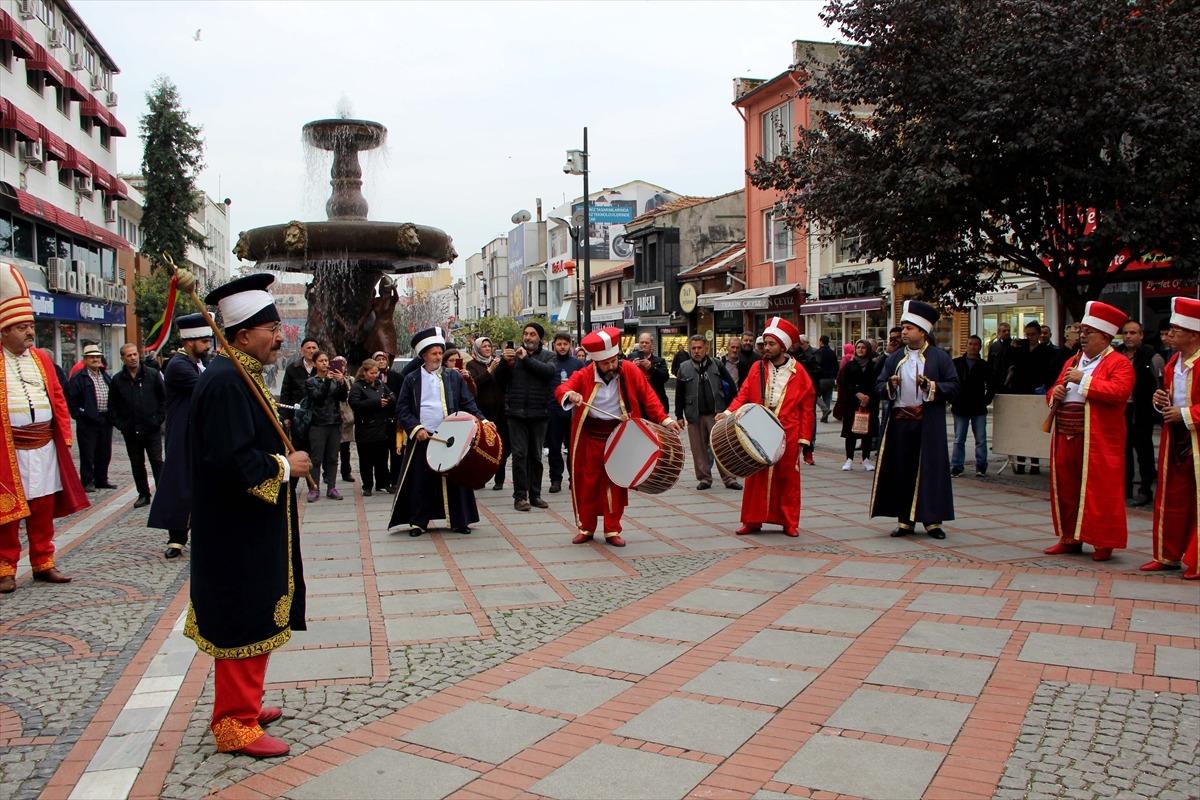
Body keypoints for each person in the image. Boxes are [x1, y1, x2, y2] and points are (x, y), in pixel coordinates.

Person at [186, 274, 312, 758]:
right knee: (244, 616)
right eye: (272, 329)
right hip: (235, 529)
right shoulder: (225, 382)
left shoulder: (242, 373)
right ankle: (234, 724)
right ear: (242, 336)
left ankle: (246, 704)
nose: (280, 337)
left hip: (252, 524)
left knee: (259, 611)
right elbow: (232, 460)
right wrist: (285, 466)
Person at [0, 262, 86, 592]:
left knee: (43, 506)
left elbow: (58, 398)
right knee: (8, 511)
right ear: (4, 331)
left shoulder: (42, 359)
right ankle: (5, 568)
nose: (30, 332)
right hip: (10, 448)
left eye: (31, 326)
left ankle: (43, 562)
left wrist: (64, 435)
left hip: (45, 446)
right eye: (22, 327)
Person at [556, 327, 677, 546]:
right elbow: (562, 389)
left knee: (615, 483)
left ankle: (612, 529)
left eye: (614, 360)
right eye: (606, 363)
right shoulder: (584, 374)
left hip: (619, 437)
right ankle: (586, 527)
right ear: (595, 362)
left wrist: (665, 419)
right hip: (590, 437)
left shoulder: (628, 369)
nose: (612, 366)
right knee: (587, 483)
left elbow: (648, 395)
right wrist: (570, 394)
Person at [1042, 301, 1134, 562]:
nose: (1082, 336)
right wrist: (1055, 393)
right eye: (1081, 331)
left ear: (1105, 336)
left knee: (1100, 490)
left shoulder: (1119, 363)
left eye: (1088, 332)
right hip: (1065, 432)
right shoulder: (1072, 360)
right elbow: (1054, 389)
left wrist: (1084, 380)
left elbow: (1119, 392)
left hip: (1097, 436)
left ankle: (1103, 541)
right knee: (1066, 488)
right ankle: (1069, 538)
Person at [717, 317, 814, 537]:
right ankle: (752, 521)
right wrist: (728, 413)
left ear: (783, 346)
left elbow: (807, 408)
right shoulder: (757, 368)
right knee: (755, 477)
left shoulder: (799, 372)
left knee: (787, 478)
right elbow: (743, 394)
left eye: (771, 344)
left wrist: (804, 439)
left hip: (789, 432)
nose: (766, 348)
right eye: (765, 344)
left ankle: (789, 523)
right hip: (759, 429)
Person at [870, 301, 959, 539]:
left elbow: (954, 386)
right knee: (902, 470)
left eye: (909, 328)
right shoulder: (894, 358)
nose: (904, 332)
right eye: (903, 328)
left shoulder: (939, 358)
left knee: (931, 471)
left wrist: (931, 386)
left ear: (922, 331)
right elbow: (878, 385)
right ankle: (904, 521)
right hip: (900, 423)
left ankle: (933, 521)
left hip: (927, 423)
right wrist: (890, 385)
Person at [389, 327, 489, 535]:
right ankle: (418, 522)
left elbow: (467, 403)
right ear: (424, 355)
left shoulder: (453, 377)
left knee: (455, 479)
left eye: (439, 353)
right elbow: (402, 408)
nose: (437, 357)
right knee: (420, 481)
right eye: (433, 353)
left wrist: (484, 420)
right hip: (423, 437)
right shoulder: (411, 379)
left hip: (451, 437)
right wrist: (416, 428)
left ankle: (460, 521)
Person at [1142, 297, 1199, 579]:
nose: (1169, 334)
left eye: (1176, 329)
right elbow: (1170, 397)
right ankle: (1168, 554)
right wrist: (1160, 401)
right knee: (1171, 498)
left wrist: (1185, 413)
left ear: (1194, 334)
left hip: (1195, 437)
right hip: (1175, 438)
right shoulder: (1173, 361)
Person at [148, 313, 211, 558]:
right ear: (189, 342)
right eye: (203, 341)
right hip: (182, 435)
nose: (207, 345)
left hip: (196, 433)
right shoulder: (178, 366)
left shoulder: (196, 363)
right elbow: (206, 388)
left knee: (200, 484)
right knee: (180, 484)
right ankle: (176, 538)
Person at [497, 323, 557, 511]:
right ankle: (520, 497)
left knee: (536, 456)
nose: (528, 337)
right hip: (516, 414)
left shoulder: (549, 357)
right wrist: (504, 363)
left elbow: (548, 373)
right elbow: (498, 381)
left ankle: (535, 495)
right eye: (525, 334)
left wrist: (526, 359)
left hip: (539, 413)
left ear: (540, 338)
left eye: (532, 334)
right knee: (519, 455)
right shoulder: (513, 357)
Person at [675, 334, 741, 491]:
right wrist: (679, 416)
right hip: (694, 415)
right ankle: (704, 478)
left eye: (699, 348)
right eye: (693, 348)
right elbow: (679, 394)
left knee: (722, 447)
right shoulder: (684, 368)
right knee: (698, 449)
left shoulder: (717, 364)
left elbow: (732, 387)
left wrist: (729, 409)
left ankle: (729, 478)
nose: (696, 351)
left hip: (716, 414)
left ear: (706, 348)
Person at [108, 343, 166, 508]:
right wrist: (121, 424)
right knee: (137, 463)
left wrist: (158, 419)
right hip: (131, 430)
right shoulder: (117, 380)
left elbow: (163, 399)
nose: (133, 358)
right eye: (129, 355)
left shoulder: (152, 374)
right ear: (123, 358)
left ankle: (162, 494)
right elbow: (112, 406)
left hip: (151, 428)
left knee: (157, 461)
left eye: (135, 354)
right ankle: (143, 494)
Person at [1118, 321, 1161, 507]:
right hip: (1121, 410)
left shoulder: (1151, 356)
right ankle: (1125, 489)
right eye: (1126, 333)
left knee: (1144, 451)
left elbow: (1160, 384)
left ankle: (1145, 490)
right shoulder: (1116, 354)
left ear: (1141, 335)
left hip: (1142, 410)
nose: (1128, 336)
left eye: (1133, 333)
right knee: (1123, 451)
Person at [1008, 320, 1058, 474]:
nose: (1030, 337)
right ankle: (1021, 462)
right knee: (1022, 427)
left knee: (1035, 427)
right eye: (1027, 335)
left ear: (1039, 335)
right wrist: (1012, 348)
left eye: (1033, 335)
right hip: (1021, 390)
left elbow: (1050, 371)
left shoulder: (1046, 351)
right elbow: (1011, 364)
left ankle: (1034, 462)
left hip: (1037, 391)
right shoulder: (1021, 348)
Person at [66, 344, 116, 492]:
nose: (95, 359)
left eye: (97, 357)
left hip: (105, 419)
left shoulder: (105, 376)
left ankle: (102, 479)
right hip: (87, 421)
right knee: (88, 453)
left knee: (104, 451)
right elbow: (72, 400)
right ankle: (87, 481)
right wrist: (81, 414)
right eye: (92, 357)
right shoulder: (78, 378)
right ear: (85, 360)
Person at [303, 352, 348, 502]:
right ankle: (314, 488)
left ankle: (332, 488)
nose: (324, 363)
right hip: (318, 423)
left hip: (334, 422)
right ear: (314, 364)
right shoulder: (311, 381)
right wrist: (327, 381)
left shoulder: (335, 379)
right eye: (321, 361)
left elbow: (342, 398)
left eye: (326, 360)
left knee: (333, 458)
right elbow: (318, 398)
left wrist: (341, 382)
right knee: (316, 458)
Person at [466, 337, 510, 491]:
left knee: (502, 446)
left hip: (500, 411)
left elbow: (505, 381)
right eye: (483, 346)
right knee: (481, 447)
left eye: (489, 346)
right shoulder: (472, 365)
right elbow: (474, 384)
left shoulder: (497, 363)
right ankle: (481, 477)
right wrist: (489, 371)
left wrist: (504, 365)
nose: (487, 349)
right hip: (482, 412)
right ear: (477, 349)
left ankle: (500, 479)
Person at [348, 358, 394, 497]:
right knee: (366, 460)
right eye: (372, 373)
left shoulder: (380, 384)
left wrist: (389, 399)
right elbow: (354, 404)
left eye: (376, 372)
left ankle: (383, 483)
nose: (374, 375)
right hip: (365, 428)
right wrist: (376, 402)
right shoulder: (357, 386)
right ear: (365, 372)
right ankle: (367, 485)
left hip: (381, 427)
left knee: (382, 459)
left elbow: (392, 395)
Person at [950, 335, 995, 478]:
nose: (973, 347)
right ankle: (957, 466)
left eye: (976, 344)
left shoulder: (984, 365)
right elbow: (950, 382)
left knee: (981, 439)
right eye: (970, 344)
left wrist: (986, 400)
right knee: (959, 439)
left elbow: (991, 385)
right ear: (966, 345)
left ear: (980, 347)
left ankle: (981, 466)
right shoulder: (956, 363)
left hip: (978, 407)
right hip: (960, 406)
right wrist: (953, 399)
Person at [546, 332, 584, 494]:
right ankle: (555, 480)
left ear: (570, 345)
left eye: (565, 344)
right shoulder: (549, 363)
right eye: (559, 344)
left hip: (572, 412)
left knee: (573, 447)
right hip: (553, 410)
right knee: (554, 447)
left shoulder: (577, 364)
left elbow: (584, 385)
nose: (562, 347)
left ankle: (573, 479)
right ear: (554, 345)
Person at [834, 339, 879, 471]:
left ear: (868, 350)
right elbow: (845, 383)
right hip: (852, 403)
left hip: (869, 403)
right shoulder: (850, 365)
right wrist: (857, 394)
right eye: (858, 347)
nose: (860, 350)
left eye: (863, 347)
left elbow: (876, 383)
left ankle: (866, 459)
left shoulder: (873, 365)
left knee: (867, 433)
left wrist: (868, 397)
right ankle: (849, 459)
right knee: (851, 432)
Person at [280, 337, 318, 447]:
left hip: (318, 417)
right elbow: (285, 393)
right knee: (298, 447)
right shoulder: (292, 369)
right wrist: (285, 416)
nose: (311, 351)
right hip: (298, 417)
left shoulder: (323, 368)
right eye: (308, 348)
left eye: (314, 348)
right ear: (302, 350)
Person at [793, 335, 823, 466]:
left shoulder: (811, 355)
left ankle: (808, 451)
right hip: (792, 392)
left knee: (809, 422)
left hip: (807, 392)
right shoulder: (788, 356)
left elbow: (818, 371)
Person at [329, 356, 356, 485]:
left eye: (343, 364)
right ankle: (328, 473)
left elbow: (351, 396)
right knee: (331, 448)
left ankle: (346, 472)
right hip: (331, 415)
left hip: (346, 417)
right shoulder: (328, 378)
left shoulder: (350, 380)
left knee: (345, 448)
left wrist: (342, 381)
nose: (341, 367)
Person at [631, 333, 670, 415]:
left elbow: (665, 377)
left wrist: (651, 368)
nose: (644, 345)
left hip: (656, 402)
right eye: (642, 342)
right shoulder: (631, 359)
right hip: (638, 403)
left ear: (651, 344)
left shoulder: (659, 361)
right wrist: (631, 367)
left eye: (647, 342)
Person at [815, 335, 839, 423]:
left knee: (814, 395)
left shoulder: (819, 352)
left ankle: (824, 409)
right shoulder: (832, 353)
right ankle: (825, 417)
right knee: (827, 397)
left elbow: (816, 365)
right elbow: (836, 366)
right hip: (831, 378)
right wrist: (835, 376)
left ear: (821, 341)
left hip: (821, 378)